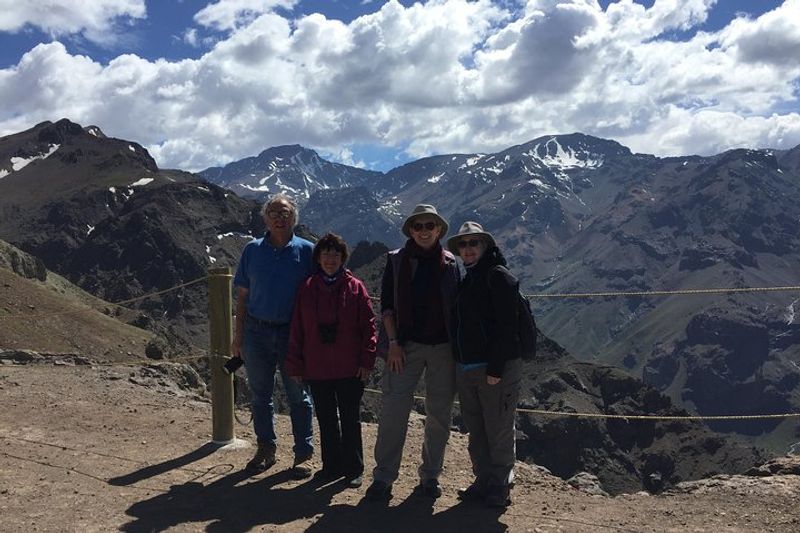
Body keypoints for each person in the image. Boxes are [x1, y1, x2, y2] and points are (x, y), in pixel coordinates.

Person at [365, 204, 461, 501]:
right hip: (404, 347)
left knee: (439, 414)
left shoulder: (451, 263)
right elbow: (388, 306)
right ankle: (383, 477)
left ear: (439, 230)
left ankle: (430, 477)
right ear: (410, 230)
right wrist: (392, 343)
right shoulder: (397, 261)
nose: (423, 231)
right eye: (418, 226)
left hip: (443, 348)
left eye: (429, 226)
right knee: (394, 410)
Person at [231, 193, 315, 478]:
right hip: (256, 331)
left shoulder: (308, 251)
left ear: (294, 218)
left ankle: (303, 451)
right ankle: (266, 448)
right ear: (265, 218)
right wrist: (238, 336)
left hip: (293, 333)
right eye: (275, 213)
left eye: (285, 213)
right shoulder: (252, 251)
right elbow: (243, 296)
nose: (280, 217)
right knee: (260, 395)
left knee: (298, 394)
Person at [285, 233, 377, 488]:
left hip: (350, 367)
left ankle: (354, 468)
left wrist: (367, 360)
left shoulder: (356, 287)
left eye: (335, 254)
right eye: (325, 254)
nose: (330, 259)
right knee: (326, 419)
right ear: (318, 258)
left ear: (342, 258)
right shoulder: (306, 288)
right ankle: (331, 466)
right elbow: (297, 329)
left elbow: (369, 327)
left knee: (350, 418)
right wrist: (295, 364)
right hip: (317, 366)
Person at [447, 221, 523, 508]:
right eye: (463, 245)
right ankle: (483, 479)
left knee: (499, 427)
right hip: (467, 368)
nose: (467, 249)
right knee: (477, 427)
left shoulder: (498, 277)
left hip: (494, 369)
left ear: (485, 246)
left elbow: (507, 327)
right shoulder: (469, 279)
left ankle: (500, 484)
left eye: (473, 243)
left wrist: (495, 368)